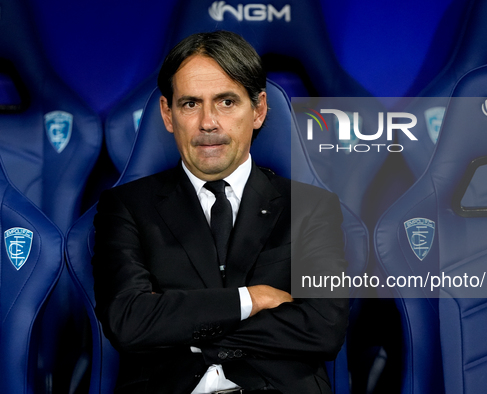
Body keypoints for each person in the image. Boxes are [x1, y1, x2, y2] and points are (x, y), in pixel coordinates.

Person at [92, 30, 349, 394]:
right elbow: (129, 322)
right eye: (190, 104)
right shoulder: (126, 208)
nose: (208, 122)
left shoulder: (312, 208)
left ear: (258, 110)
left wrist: (188, 328)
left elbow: (323, 326)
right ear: (168, 114)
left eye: (227, 102)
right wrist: (252, 298)